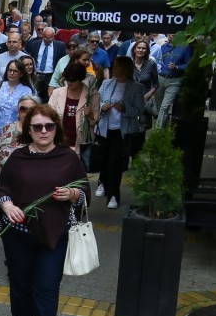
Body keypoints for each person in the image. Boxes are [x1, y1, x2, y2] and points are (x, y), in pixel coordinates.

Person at [0, 104, 88, 316]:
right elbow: (2, 187)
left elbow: (84, 191)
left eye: (49, 126)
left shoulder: (68, 157)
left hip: (54, 236)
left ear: (56, 128)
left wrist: (72, 194)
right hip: (19, 235)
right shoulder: (18, 157)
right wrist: (7, 205)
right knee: (20, 285)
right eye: (37, 127)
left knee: (46, 288)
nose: (43, 131)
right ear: (29, 130)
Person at [95, 56, 146, 209]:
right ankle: (102, 182)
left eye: (116, 66)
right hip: (104, 129)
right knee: (103, 159)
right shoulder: (107, 83)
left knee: (115, 163)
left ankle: (113, 195)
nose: (114, 69)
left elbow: (139, 110)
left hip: (122, 132)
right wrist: (103, 106)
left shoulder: (137, 87)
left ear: (124, 68)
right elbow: (97, 102)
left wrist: (125, 109)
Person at [48, 62, 99, 155]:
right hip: (60, 141)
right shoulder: (57, 93)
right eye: (67, 79)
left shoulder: (92, 95)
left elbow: (96, 120)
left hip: (82, 143)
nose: (69, 83)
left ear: (80, 79)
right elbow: (48, 115)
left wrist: (91, 114)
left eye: (72, 80)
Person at [0, 94, 40, 184]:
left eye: (32, 109)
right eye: (23, 109)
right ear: (18, 111)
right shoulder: (7, 129)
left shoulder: (42, 132)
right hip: (2, 185)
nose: (27, 113)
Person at [0, 57, 35, 131]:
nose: (11, 73)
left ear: (21, 74)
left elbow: (27, 113)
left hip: (14, 132)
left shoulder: (26, 91)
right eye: (10, 70)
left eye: (15, 71)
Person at [154, 34, 191, 127]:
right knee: (159, 106)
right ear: (168, 35)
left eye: (175, 33)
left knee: (165, 106)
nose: (173, 35)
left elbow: (189, 64)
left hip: (175, 80)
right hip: (161, 78)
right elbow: (157, 61)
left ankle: (157, 131)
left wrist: (177, 67)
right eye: (171, 33)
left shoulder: (185, 47)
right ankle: (164, 128)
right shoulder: (162, 47)